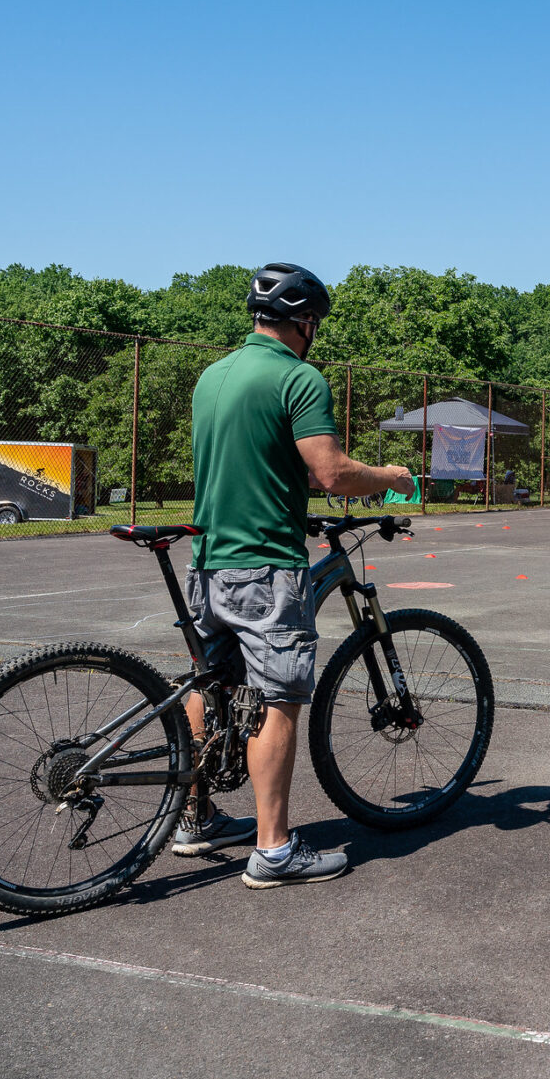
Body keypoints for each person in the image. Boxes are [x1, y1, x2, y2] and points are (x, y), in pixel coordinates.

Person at [179, 262, 421, 887]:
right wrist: (391, 477)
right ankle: (276, 849)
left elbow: (253, 464)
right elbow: (332, 473)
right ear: (305, 321)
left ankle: (195, 816)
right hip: (264, 564)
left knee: (212, 684)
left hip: (209, 560)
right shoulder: (297, 377)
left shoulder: (213, 376)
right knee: (279, 698)